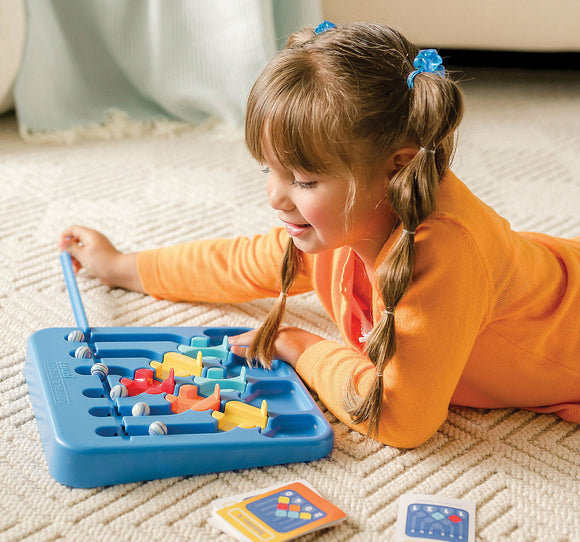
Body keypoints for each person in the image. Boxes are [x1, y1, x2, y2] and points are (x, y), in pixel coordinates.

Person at [59, 21, 580, 448]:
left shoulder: (442, 254)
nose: (275, 198)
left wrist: (299, 344)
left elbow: (399, 419)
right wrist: (121, 265)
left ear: (395, 169)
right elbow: (243, 262)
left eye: (304, 181)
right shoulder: (348, 219)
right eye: (269, 170)